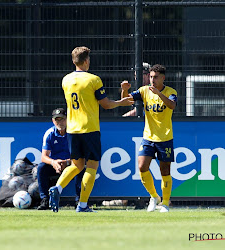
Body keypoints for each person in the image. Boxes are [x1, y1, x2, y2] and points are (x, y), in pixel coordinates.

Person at [48, 46, 134, 212]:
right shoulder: (93, 80)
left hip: (72, 130)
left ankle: (57, 188)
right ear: (86, 60)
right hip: (89, 128)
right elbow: (106, 104)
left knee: (76, 165)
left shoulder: (65, 80)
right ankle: (82, 205)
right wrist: (121, 102)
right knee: (92, 166)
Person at [121, 64, 177, 213]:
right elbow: (126, 101)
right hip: (148, 137)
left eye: (156, 77)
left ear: (163, 78)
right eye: (151, 77)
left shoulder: (171, 92)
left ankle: (165, 203)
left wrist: (159, 94)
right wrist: (124, 90)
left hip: (165, 138)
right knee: (142, 166)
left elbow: (172, 105)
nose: (152, 80)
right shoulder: (144, 90)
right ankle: (154, 197)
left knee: (165, 170)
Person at [37, 107, 84, 210]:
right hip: (56, 166)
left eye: (62, 119)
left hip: (72, 165)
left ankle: (79, 201)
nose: (60, 122)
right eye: (57, 119)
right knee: (41, 168)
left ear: (67, 119)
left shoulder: (74, 133)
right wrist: (54, 163)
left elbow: (81, 156)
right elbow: (44, 157)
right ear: (53, 121)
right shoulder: (49, 133)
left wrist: (67, 162)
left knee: (81, 168)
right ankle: (45, 200)